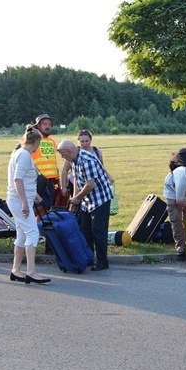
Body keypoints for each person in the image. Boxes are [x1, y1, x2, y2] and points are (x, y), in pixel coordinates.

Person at [56, 139, 114, 271]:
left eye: (63, 154)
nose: (62, 157)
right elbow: (77, 180)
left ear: (70, 151)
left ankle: (102, 261)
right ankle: (88, 258)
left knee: (98, 231)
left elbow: (90, 185)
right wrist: (75, 199)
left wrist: (77, 198)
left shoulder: (87, 160)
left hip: (100, 199)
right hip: (86, 200)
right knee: (85, 229)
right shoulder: (74, 159)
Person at [7, 125, 50, 284]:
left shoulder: (17, 152)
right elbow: (17, 180)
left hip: (19, 199)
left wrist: (35, 195)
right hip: (19, 200)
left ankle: (16, 270)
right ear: (36, 142)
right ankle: (31, 272)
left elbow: (24, 180)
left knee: (22, 234)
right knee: (33, 233)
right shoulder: (24, 155)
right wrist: (25, 202)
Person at [60, 129, 113, 198]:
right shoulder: (73, 153)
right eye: (82, 141)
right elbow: (65, 170)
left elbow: (101, 168)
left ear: (91, 140)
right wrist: (63, 186)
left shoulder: (96, 152)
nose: (85, 144)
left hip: (92, 184)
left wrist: (108, 176)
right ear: (78, 141)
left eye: (87, 141)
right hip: (75, 184)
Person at [32, 114, 61, 215]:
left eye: (49, 124)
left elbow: (52, 160)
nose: (47, 126)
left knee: (46, 207)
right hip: (38, 180)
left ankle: (39, 228)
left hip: (50, 180)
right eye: (44, 124)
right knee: (37, 207)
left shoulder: (52, 141)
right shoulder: (32, 140)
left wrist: (57, 178)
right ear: (38, 126)